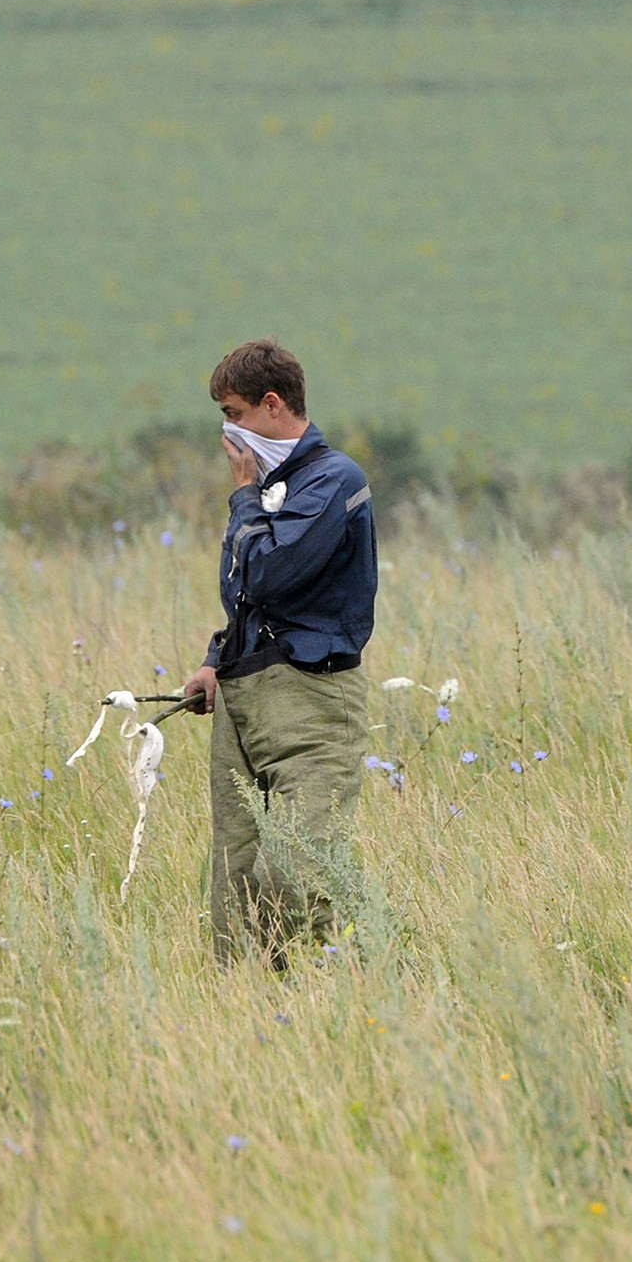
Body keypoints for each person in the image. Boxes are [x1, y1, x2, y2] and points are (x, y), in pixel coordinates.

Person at [180, 340, 378, 964]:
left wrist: (243, 499)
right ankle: (251, 1014)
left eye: (234, 413)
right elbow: (248, 598)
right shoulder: (272, 486)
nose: (227, 431)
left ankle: (367, 977)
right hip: (244, 696)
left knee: (295, 869)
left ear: (272, 404)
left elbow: (269, 573)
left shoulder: (332, 481)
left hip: (311, 700)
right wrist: (218, 658)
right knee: (235, 887)